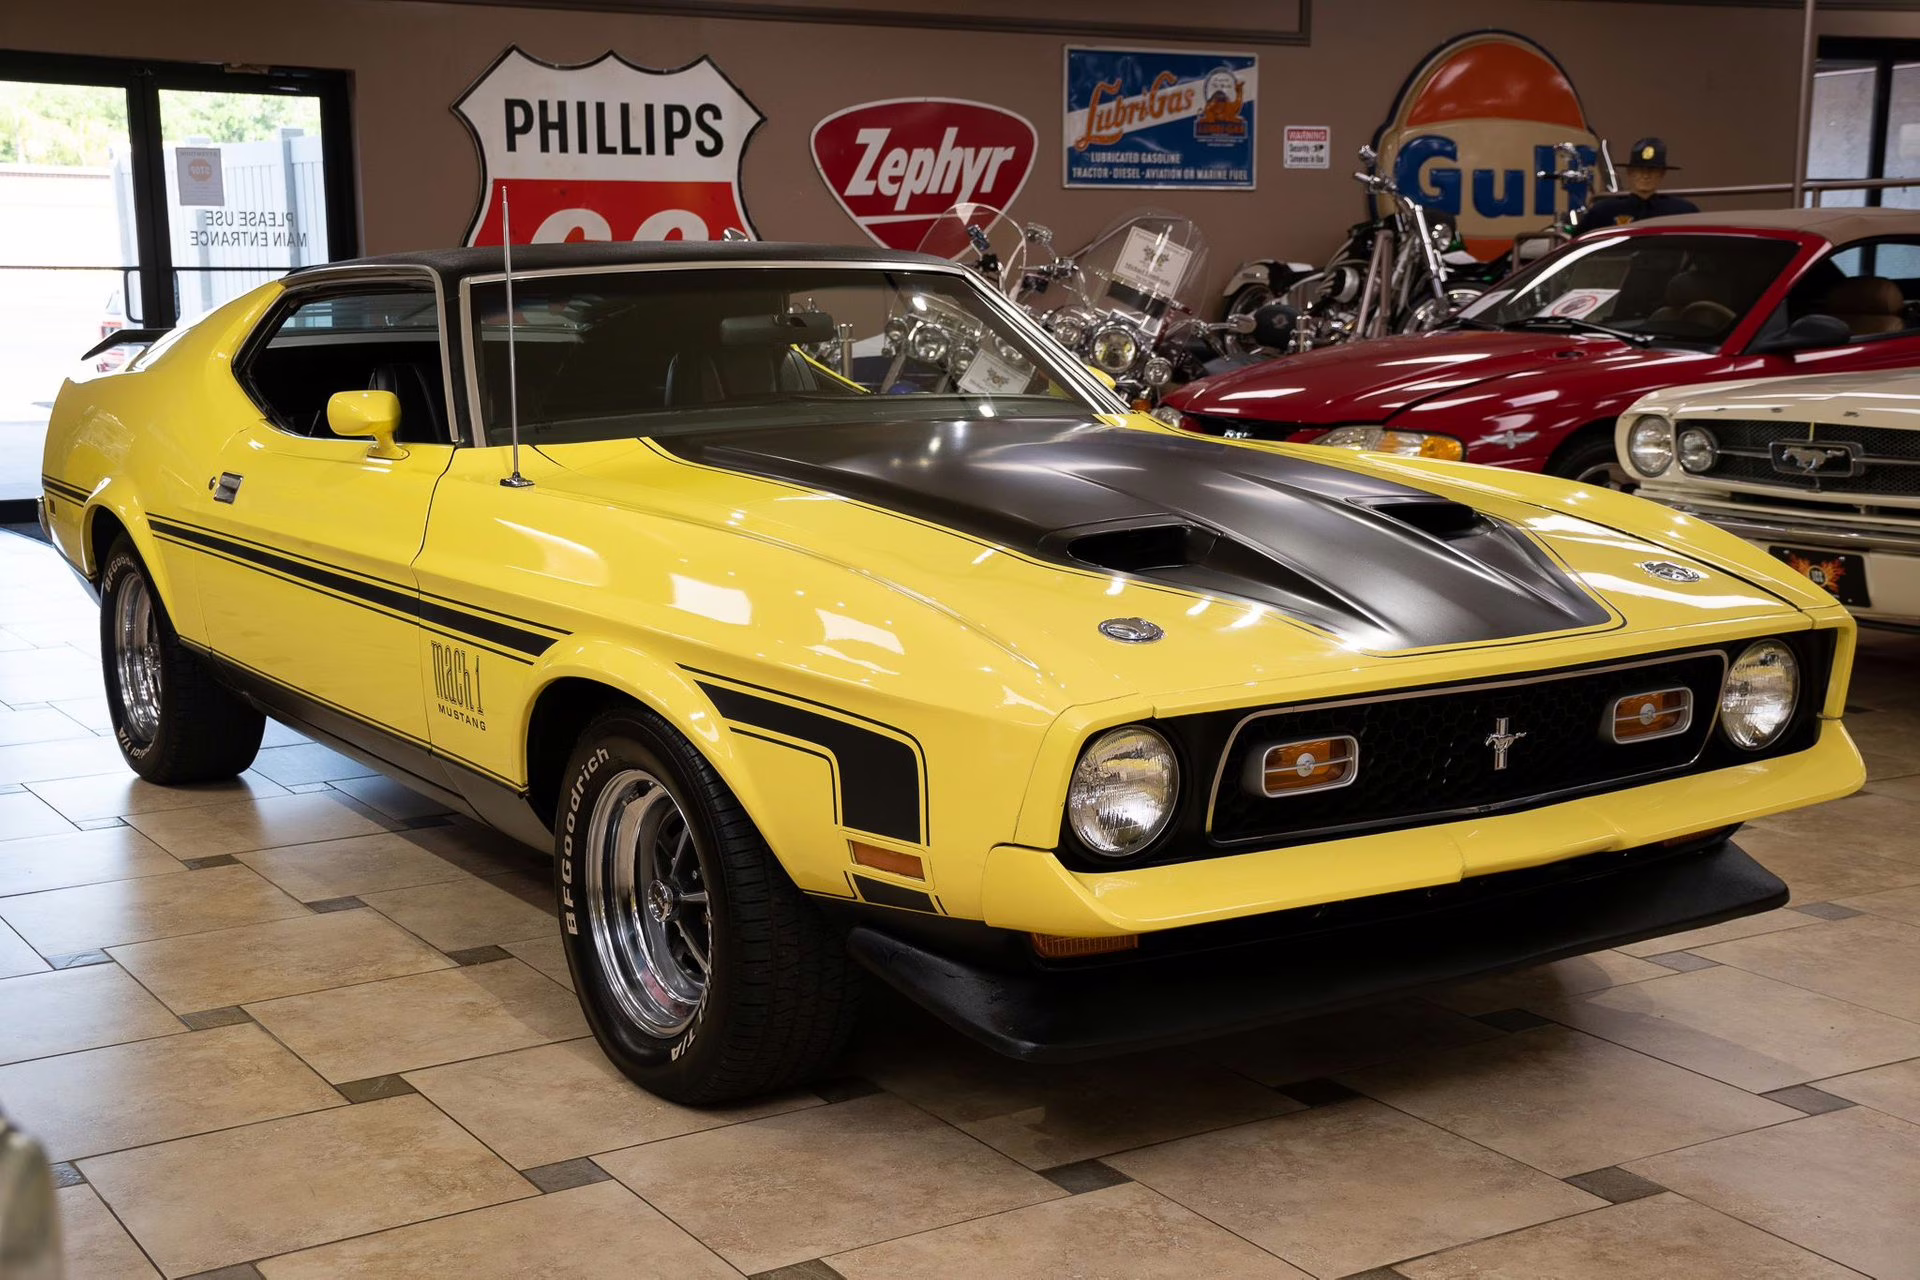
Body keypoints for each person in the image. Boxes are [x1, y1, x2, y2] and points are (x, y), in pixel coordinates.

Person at [1577, 137, 1698, 233]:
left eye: (1652, 170)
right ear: (1630, 172)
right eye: (1639, 169)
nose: (1645, 175)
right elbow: (1577, 245)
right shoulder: (1603, 212)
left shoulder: (1681, 212)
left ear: (1662, 174)